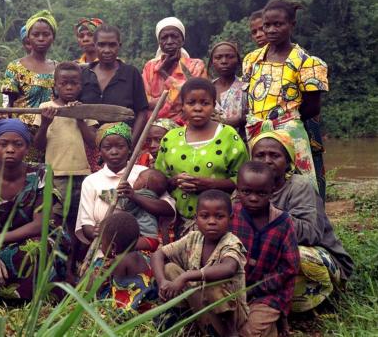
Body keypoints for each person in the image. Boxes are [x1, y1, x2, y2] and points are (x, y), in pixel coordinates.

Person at [250, 130, 353, 312]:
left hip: (319, 256)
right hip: (268, 254)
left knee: (295, 256)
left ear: (288, 161)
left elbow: (310, 233)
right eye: (260, 155)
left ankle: (321, 298)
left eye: (275, 155)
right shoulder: (245, 188)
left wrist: (267, 212)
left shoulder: (299, 186)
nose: (267, 160)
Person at [0, 119, 66, 301]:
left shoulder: (41, 174)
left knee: (33, 251)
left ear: (27, 148)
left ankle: (25, 293)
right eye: (3, 144)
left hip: (37, 237)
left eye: (18, 144)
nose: (10, 149)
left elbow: (40, 225)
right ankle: (10, 289)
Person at [242, 0, 329, 191]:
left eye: (278, 24)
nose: (271, 30)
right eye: (267, 25)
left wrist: (284, 123)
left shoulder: (307, 62)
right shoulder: (251, 60)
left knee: (299, 185)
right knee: (259, 186)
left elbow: (312, 107)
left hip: (290, 135)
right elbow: (249, 99)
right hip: (257, 134)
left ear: (292, 25)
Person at [155, 78, 248, 240]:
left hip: (219, 226)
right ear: (182, 105)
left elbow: (243, 181)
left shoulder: (229, 136)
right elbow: (159, 180)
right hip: (177, 225)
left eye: (204, 103)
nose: (198, 108)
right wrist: (175, 181)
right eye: (191, 103)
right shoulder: (170, 139)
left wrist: (209, 185)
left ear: (213, 105)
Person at [151, 190, 248, 336]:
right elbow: (157, 254)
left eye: (219, 216)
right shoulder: (193, 237)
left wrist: (186, 276)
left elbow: (229, 268)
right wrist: (162, 282)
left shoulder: (231, 242)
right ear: (196, 218)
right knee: (169, 269)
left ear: (231, 218)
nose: (211, 221)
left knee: (213, 284)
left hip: (230, 315)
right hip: (199, 305)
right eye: (204, 216)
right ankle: (185, 324)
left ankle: (228, 333)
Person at [33, 61, 98, 278]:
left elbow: (93, 142)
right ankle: (56, 272)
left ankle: (74, 270)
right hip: (56, 176)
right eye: (64, 83)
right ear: (55, 85)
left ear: (81, 85)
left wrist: (79, 117)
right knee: (55, 223)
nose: (69, 87)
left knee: (77, 224)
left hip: (83, 176)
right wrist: (44, 123)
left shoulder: (84, 109)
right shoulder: (45, 108)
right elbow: (39, 146)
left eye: (74, 83)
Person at [75, 122, 176, 253]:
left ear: (129, 148)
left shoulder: (145, 174)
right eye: (107, 147)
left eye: (120, 146)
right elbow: (86, 223)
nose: (114, 152)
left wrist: (135, 196)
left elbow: (168, 209)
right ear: (100, 151)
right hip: (105, 247)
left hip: (140, 248)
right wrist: (96, 232)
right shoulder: (91, 181)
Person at [231, 161, 300, 337]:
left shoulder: (283, 222)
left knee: (248, 332)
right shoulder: (231, 214)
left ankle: (274, 319)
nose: (253, 198)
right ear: (238, 190)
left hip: (269, 294)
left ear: (272, 191)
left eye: (261, 193)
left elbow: (289, 267)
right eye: (246, 192)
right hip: (232, 290)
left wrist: (256, 288)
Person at [1, 10, 58, 161]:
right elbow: (8, 105)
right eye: (35, 34)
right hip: (21, 136)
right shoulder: (15, 67)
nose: (41, 38)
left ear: (53, 37)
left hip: (52, 135)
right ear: (28, 37)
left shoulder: (58, 69)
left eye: (46, 34)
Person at [80, 25, 149, 145]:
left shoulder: (131, 73)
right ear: (95, 46)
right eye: (101, 45)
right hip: (88, 148)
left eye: (112, 45)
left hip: (121, 148)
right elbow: (76, 110)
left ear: (119, 46)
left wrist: (131, 143)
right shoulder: (84, 75)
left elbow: (142, 111)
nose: (107, 50)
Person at [142, 17, 207, 123]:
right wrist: (175, 101)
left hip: (187, 125)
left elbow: (194, 98)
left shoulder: (196, 65)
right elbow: (145, 103)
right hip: (153, 127)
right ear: (159, 41)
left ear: (182, 40)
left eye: (174, 36)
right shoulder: (150, 67)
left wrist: (164, 73)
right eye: (164, 38)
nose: (169, 42)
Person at [96, 211, 158, 315]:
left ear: (113, 247)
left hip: (132, 307)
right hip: (149, 302)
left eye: (102, 242)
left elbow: (116, 291)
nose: (100, 246)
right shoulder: (140, 254)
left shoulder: (119, 262)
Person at [118, 168, 169, 247]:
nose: (135, 181)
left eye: (138, 179)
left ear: (144, 186)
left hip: (143, 235)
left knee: (123, 246)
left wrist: (113, 193)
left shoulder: (138, 195)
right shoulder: (154, 199)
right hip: (151, 237)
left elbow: (125, 205)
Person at [208, 41, 247, 139]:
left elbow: (255, 116)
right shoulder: (206, 89)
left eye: (230, 56)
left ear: (238, 60)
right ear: (212, 62)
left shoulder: (247, 88)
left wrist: (233, 121)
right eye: (218, 57)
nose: (224, 61)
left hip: (239, 144)